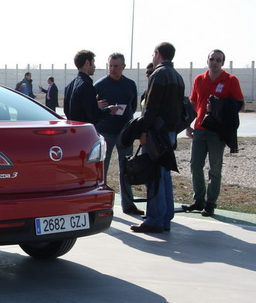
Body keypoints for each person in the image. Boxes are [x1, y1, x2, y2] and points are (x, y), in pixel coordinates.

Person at [181, 49, 244, 217]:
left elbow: (239, 104)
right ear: (207, 60)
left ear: (222, 63)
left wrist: (218, 106)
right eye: (212, 59)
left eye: (218, 60)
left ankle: (211, 203)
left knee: (215, 169)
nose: (215, 62)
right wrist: (188, 125)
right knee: (195, 165)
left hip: (217, 132)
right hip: (200, 130)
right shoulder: (199, 79)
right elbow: (193, 102)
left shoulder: (230, 80)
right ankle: (198, 200)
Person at [130, 42, 185, 233]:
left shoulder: (159, 74)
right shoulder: (177, 77)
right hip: (169, 132)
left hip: (156, 132)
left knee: (154, 176)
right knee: (165, 175)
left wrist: (144, 131)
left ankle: (154, 219)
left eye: (153, 54)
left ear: (158, 54)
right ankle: (165, 218)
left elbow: (151, 108)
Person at [94, 53, 141, 215]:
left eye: (116, 66)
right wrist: (98, 106)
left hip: (125, 132)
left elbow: (133, 106)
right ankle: (101, 204)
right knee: (101, 169)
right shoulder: (100, 85)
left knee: (126, 168)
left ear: (123, 67)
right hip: (105, 133)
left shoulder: (130, 84)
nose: (113, 69)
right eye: (110, 66)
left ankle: (128, 204)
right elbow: (91, 108)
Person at [63, 50, 118, 123]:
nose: (95, 66)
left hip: (74, 129)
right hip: (84, 130)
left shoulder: (70, 86)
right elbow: (94, 115)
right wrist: (109, 109)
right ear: (87, 63)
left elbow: (67, 110)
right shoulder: (86, 85)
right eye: (93, 62)